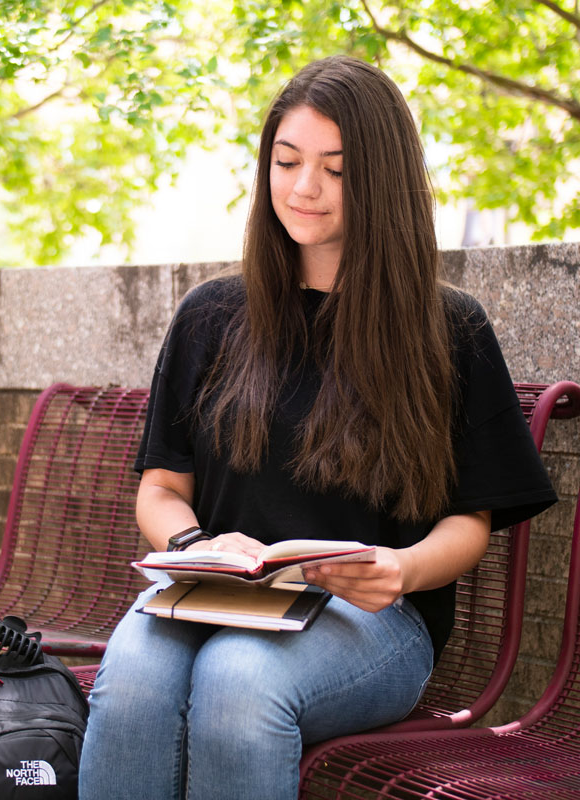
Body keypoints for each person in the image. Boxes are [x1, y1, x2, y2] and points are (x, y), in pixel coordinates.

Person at [77, 55, 557, 800]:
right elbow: (161, 490)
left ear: (382, 179)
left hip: (374, 621)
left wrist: (400, 570)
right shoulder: (212, 315)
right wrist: (196, 545)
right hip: (216, 596)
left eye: (337, 169)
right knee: (135, 674)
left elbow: (470, 521)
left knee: (239, 680)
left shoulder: (448, 329)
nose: (305, 188)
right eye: (287, 161)